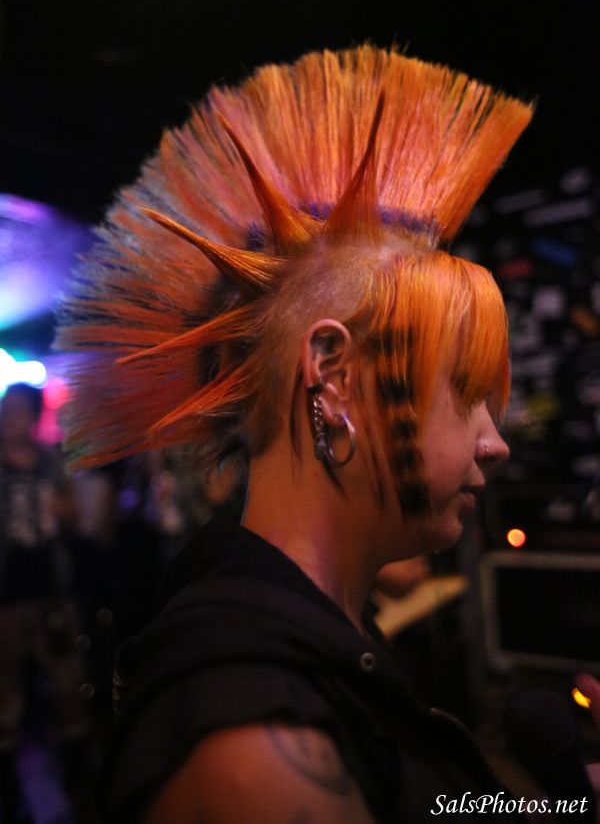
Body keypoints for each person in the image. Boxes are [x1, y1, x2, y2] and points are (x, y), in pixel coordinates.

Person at [56, 46, 533, 822]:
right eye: (467, 392)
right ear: (332, 377)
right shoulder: (258, 744)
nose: (495, 441)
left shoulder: (319, 642)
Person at [0, 383, 92, 822]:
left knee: (69, 687)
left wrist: (64, 510)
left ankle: (78, 785)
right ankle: (10, 797)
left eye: (18, 410)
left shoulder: (51, 463)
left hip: (53, 596)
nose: (9, 418)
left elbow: (75, 518)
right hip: (5, 603)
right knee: (6, 700)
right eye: (6, 409)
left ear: (35, 417)